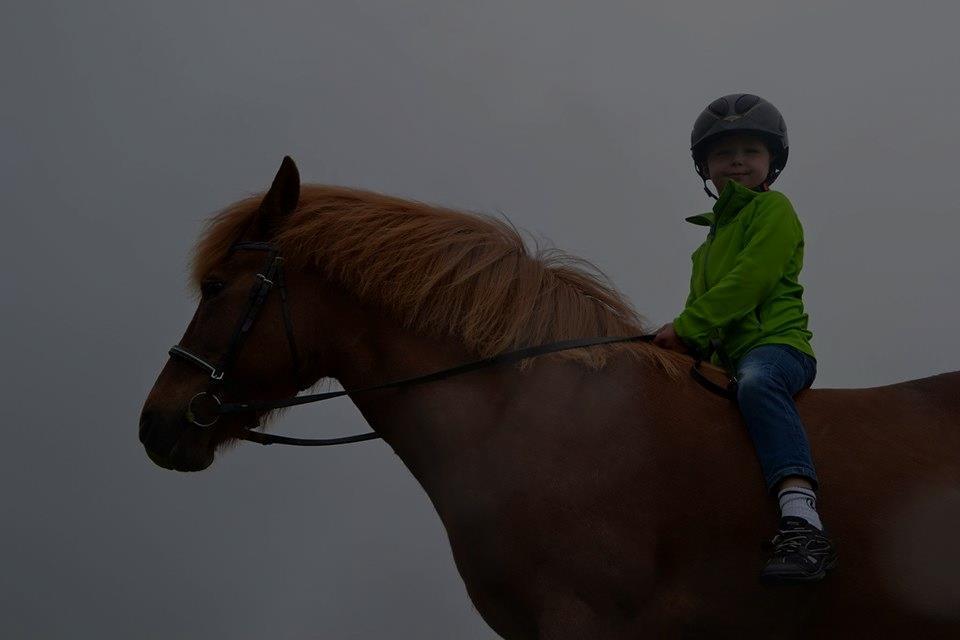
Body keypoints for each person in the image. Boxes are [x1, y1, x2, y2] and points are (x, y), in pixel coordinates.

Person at [653, 93, 837, 583]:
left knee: (757, 383)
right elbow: (707, 322)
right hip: (727, 362)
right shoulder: (705, 247)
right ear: (706, 169)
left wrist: (686, 326)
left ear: (771, 162)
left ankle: (803, 521)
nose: (737, 161)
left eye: (750, 151)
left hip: (777, 350)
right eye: (723, 153)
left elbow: (751, 281)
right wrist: (680, 345)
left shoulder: (774, 210)